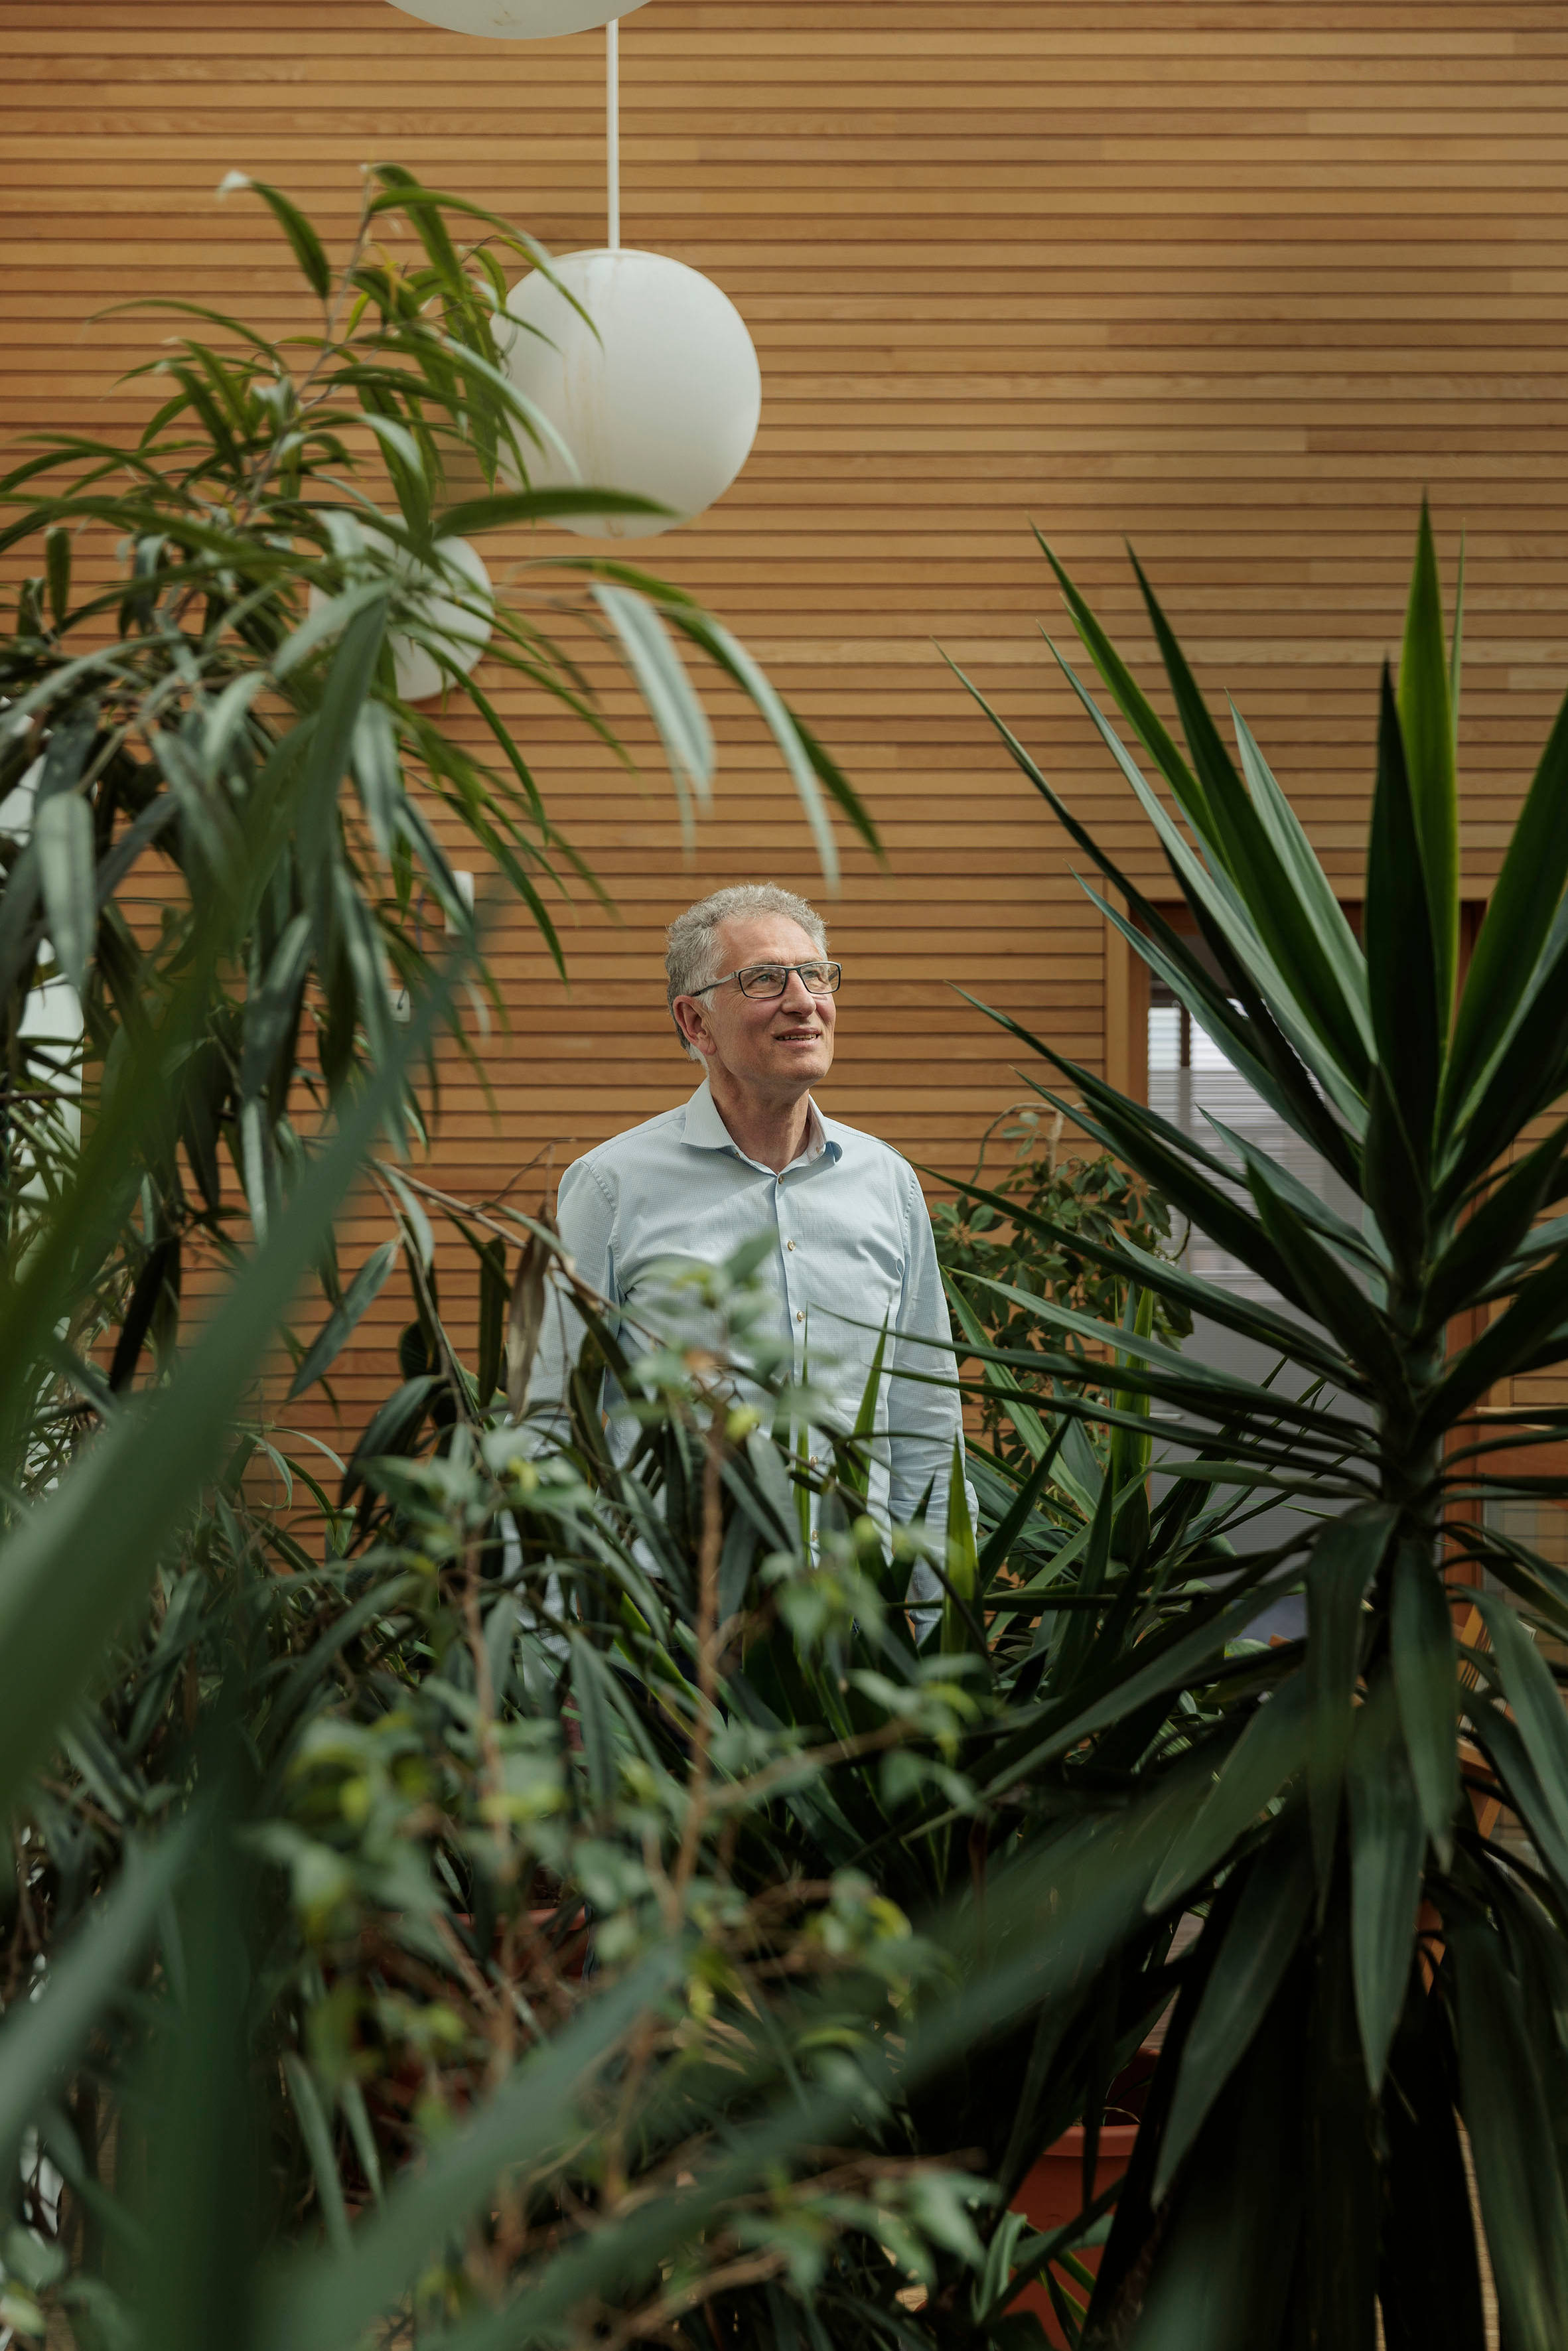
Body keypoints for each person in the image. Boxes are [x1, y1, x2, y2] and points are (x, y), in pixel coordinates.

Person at [526, 883, 973, 1595]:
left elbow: (924, 1422)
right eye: (763, 979)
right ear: (694, 1023)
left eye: (816, 975)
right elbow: (549, 1425)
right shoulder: (610, 1189)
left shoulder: (888, 1183)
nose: (803, 1001)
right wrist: (556, 1662)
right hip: (675, 1634)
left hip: (855, 1630)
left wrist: (933, 1622)